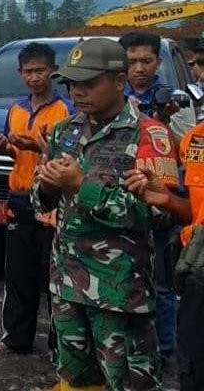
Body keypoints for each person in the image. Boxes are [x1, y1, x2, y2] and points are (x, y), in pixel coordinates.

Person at [32, 37, 179, 390]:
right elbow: (41, 203)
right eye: (72, 84)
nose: (78, 92)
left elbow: (161, 214)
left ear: (119, 80)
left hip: (119, 293)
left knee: (128, 382)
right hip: (67, 284)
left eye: (88, 83)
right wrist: (50, 187)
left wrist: (82, 185)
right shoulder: (65, 131)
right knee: (75, 379)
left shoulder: (149, 135)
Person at [0, 43, 74, 359]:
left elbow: (69, 155)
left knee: (54, 273)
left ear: (52, 71)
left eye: (40, 71)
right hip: (20, 196)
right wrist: (6, 146)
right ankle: (15, 338)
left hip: (52, 201)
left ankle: (59, 345)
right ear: (20, 74)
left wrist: (35, 145)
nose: (34, 78)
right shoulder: (17, 110)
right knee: (18, 271)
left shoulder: (66, 111)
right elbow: (15, 154)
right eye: (28, 72)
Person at [118, 30, 192, 367]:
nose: (139, 68)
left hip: (163, 201)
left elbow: (186, 149)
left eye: (146, 60)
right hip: (125, 203)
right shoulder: (114, 99)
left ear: (158, 62)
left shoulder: (176, 102)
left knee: (162, 287)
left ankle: (164, 352)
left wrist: (168, 118)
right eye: (132, 61)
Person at [125, 118, 204, 390]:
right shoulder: (194, 141)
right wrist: (168, 200)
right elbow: (194, 212)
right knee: (193, 365)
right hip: (197, 275)